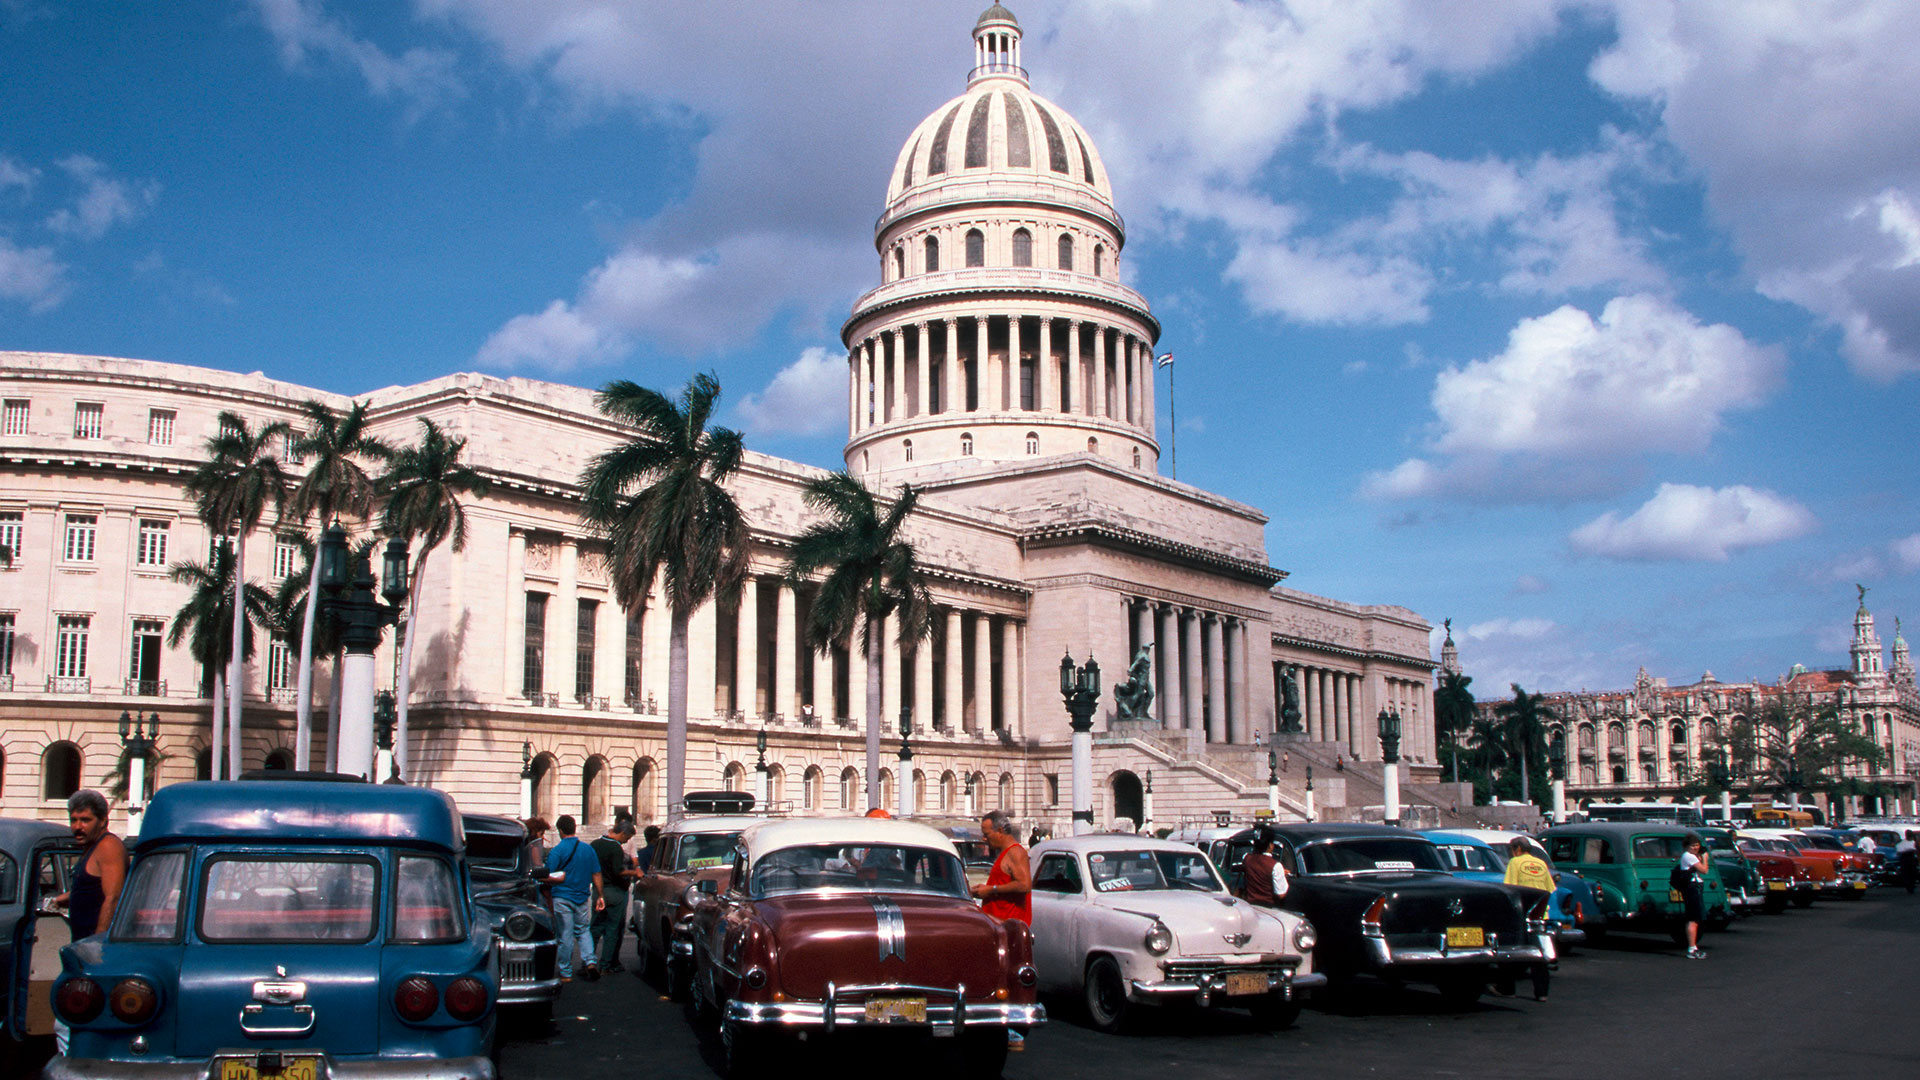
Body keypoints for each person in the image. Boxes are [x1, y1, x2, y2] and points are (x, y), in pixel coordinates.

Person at [973, 809, 1031, 1051]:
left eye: (987, 834)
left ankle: (1012, 1030)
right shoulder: (1005, 854)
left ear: (1000, 831)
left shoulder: (1016, 852)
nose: (985, 839)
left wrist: (992, 890)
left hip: (1010, 927)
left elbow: (1024, 884)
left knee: (1008, 979)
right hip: (997, 926)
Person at [52, 790, 127, 940]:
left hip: (95, 944)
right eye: (73, 820)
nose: (78, 827)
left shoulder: (108, 846)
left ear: (103, 821)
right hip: (82, 941)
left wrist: (98, 943)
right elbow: (93, 887)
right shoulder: (91, 847)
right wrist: (68, 897)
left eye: (85, 820)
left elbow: (113, 898)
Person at [543, 815, 605, 981]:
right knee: (583, 930)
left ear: (560, 830)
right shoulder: (588, 849)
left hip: (562, 896)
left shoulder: (557, 851)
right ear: (574, 828)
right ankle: (590, 961)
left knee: (565, 935)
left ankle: (565, 971)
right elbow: (596, 873)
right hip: (582, 896)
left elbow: (548, 874)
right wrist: (600, 895)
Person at [1502, 837, 1555, 1000]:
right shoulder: (1541, 863)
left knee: (1510, 951)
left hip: (1522, 914)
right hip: (1540, 915)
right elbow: (1550, 889)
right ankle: (1542, 993)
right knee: (1539, 954)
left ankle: (1508, 989)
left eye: (1512, 850)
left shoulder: (1515, 863)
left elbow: (1509, 888)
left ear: (1517, 849)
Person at [591, 819, 638, 974]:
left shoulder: (595, 844)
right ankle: (605, 965)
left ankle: (588, 962)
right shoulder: (616, 848)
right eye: (627, 838)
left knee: (595, 928)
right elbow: (618, 871)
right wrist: (635, 872)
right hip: (615, 890)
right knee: (612, 929)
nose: (627, 841)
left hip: (598, 890)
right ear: (622, 833)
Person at [1675, 835, 1709, 959]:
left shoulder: (1690, 856)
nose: (1695, 848)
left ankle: (1693, 947)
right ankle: (1691, 948)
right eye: (1692, 846)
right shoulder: (1688, 856)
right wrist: (1705, 859)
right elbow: (1704, 870)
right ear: (1686, 847)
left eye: (1697, 845)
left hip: (1694, 887)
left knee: (1695, 918)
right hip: (1692, 888)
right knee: (1693, 918)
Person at [1237, 829, 1287, 907]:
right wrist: (1282, 875)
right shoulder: (1275, 865)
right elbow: (1280, 894)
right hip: (1268, 907)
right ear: (1270, 845)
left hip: (1250, 906)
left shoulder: (1246, 859)